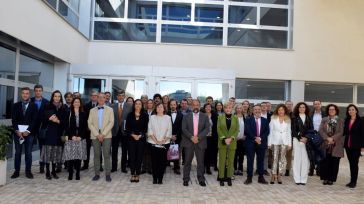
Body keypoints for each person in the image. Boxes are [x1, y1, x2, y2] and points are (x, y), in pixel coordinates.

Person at [181, 99, 210, 187]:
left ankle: (201, 179)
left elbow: (207, 129)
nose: (195, 106)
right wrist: (191, 137)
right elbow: (184, 129)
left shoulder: (205, 116)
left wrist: (198, 137)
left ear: (200, 106)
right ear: (191, 106)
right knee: (187, 162)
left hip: (200, 142)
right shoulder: (186, 116)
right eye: (194, 105)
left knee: (200, 162)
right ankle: (186, 179)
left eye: (197, 105)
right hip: (189, 142)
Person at [10, 87, 37, 179]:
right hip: (18, 134)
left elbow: (34, 120)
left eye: (27, 93)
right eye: (23, 93)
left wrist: (28, 131)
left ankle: (28, 171)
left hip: (29, 134)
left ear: (29, 95)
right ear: (21, 94)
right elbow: (14, 120)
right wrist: (17, 130)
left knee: (28, 153)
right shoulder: (15, 105)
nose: (25, 95)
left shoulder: (34, 106)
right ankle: (16, 171)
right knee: (18, 153)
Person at [88, 93, 114, 182]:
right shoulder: (92, 110)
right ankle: (97, 174)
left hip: (106, 135)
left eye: (103, 97)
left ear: (105, 99)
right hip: (95, 135)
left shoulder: (110, 110)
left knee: (106, 155)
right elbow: (89, 123)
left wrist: (103, 134)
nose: (101, 99)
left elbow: (111, 122)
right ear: (97, 99)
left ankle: (108, 174)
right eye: (99, 97)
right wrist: (97, 134)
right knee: (96, 155)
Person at [41, 90, 66, 180]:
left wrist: (58, 121)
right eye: (55, 96)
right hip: (49, 133)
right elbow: (42, 120)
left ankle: (54, 171)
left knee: (56, 154)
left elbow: (65, 122)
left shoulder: (63, 108)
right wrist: (49, 119)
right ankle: (47, 171)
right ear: (53, 97)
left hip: (58, 134)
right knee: (48, 153)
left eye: (59, 96)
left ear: (60, 98)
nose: (57, 98)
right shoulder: (47, 106)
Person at [244, 104, 270, 185]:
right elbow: (247, 131)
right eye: (255, 109)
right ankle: (249, 177)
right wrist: (255, 138)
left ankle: (261, 177)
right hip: (250, 143)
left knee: (261, 161)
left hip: (261, 143)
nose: (257, 111)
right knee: (250, 161)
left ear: (261, 110)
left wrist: (260, 138)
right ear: (253, 111)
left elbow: (267, 132)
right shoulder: (248, 120)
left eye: (259, 109)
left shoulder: (265, 120)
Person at [319, 104, 344, 185]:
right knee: (325, 162)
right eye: (330, 109)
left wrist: (333, 138)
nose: (331, 111)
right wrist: (327, 138)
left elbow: (341, 131)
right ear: (328, 111)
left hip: (336, 144)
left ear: (336, 111)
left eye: (333, 109)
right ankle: (325, 178)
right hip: (326, 143)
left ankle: (331, 179)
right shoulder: (324, 119)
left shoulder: (340, 120)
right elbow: (321, 130)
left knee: (334, 162)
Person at [147, 103, 172, 184]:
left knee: (162, 161)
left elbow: (169, 130)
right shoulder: (152, 117)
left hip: (165, 143)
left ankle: (160, 178)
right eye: (158, 107)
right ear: (156, 109)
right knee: (154, 161)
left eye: (161, 107)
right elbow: (150, 129)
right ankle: (155, 178)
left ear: (164, 109)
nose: (160, 108)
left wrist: (163, 141)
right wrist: (156, 141)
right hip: (153, 143)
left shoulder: (168, 118)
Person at [63, 97, 87, 180]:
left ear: (80, 104)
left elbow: (85, 127)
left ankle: (77, 173)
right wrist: (71, 136)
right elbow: (66, 126)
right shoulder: (68, 113)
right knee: (71, 157)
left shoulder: (84, 113)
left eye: (78, 102)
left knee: (78, 156)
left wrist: (81, 136)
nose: (77, 103)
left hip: (80, 138)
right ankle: (70, 173)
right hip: (71, 137)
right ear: (72, 103)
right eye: (75, 102)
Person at [125, 99, 149, 182]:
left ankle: (137, 173)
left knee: (139, 157)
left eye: (139, 104)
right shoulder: (129, 115)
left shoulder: (145, 115)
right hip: (131, 139)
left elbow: (146, 128)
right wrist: (133, 135)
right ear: (134, 105)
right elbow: (127, 128)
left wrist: (140, 135)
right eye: (136, 104)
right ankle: (132, 173)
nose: (138, 105)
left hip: (141, 139)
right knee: (132, 157)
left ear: (142, 105)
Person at [268, 104, 292, 184]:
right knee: (274, 158)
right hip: (275, 141)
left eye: (282, 110)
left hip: (284, 142)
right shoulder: (273, 118)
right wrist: (269, 142)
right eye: (279, 110)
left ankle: (279, 175)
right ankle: (273, 175)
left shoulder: (288, 119)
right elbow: (270, 131)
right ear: (277, 111)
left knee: (282, 159)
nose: (281, 111)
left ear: (285, 110)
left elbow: (289, 132)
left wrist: (289, 143)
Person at [217, 103, 239, 186]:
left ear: (232, 109)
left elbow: (237, 130)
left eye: (229, 108)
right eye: (226, 108)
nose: (228, 109)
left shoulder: (235, 118)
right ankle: (221, 177)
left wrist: (231, 138)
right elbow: (218, 129)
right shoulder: (220, 117)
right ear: (224, 108)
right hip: (222, 142)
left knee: (230, 161)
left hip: (232, 142)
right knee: (222, 161)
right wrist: (224, 138)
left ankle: (229, 177)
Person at [292, 102, 313, 185]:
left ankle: (303, 179)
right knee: (297, 160)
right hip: (297, 140)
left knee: (305, 160)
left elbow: (311, 130)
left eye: (303, 107)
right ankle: (297, 179)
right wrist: (299, 138)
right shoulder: (294, 118)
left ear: (306, 108)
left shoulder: (309, 118)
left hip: (306, 141)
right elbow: (293, 130)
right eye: (300, 107)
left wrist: (306, 138)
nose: (301, 108)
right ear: (297, 108)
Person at [343, 104, 364, 188]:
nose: (350, 111)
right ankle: (351, 181)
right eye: (349, 110)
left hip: (356, 146)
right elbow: (344, 132)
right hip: (348, 145)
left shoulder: (361, 120)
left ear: (356, 111)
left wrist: (362, 147)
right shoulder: (347, 120)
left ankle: (353, 182)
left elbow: (363, 134)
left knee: (354, 164)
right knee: (351, 163)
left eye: (352, 109)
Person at [30, 84, 49, 173]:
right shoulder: (30, 101)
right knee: (29, 147)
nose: (38, 92)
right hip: (31, 128)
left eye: (39, 90)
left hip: (42, 128)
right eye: (36, 91)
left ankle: (42, 167)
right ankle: (28, 167)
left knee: (42, 148)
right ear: (34, 91)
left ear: (42, 91)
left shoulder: (47, 102)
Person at [111, 90, 132, 173]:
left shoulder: (129, 106)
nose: (120, 97)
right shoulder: (112, 106)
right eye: (119, 96)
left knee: (124, 151)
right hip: (115, 131)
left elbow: (130, 119)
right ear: (117, 97)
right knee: (114, 150)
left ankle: (123, 168)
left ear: (124, 97)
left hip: (125, 132)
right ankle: (114, 167)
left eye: (122, 95)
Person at [82, 91, 99, 170]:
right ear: (90, 96)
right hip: (87, 131)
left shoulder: (101, 106)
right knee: (86, 148)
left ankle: (99, 165)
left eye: (96, 96)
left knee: (98, 149)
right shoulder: (85, 106)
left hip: (98, 131)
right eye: (93, 96)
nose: (94, 97)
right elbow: (84, 118)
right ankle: (85, 165)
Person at [167, 99, 184, 175]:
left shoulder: (181, 114)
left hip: (177, 136)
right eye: (171, 105)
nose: (173, 106)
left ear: (176, 105)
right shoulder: (166, 114)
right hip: (167, 136)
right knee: (167, 151)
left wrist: (175, 135)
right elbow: (165, 126)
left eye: (174, 104)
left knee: (176, 152)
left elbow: (181, 126)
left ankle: (176, 167)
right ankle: (166, 166)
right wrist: (170, 135)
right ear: (169, 105)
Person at [202, 103, 218, 175]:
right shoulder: (201, 115)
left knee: (209, 153)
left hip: (212, 138)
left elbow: (216, 127)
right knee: (203, 153)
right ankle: (202, 167)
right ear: (204, 108)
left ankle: (208, 168)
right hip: (203, 137)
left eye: (209, 107)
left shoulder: (215, 116)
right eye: (206, 107)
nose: (208, 108)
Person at [141, 99, 154, 174]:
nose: (149, 104)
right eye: (148, 103)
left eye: (151, 103)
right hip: (144, 134)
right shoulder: (143, 112)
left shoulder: (155, 113)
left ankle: (149, 168)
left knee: (150, 152)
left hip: (152, 135)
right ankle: (143, 168)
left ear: (153, 104)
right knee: (144, 152)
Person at [234, 104, 245, 176]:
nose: (239, 109)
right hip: (234, 139)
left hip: (242, 139)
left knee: (241, 155)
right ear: (235, 109)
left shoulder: (245, 118)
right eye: (237, 108)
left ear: (242, 109)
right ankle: (234, 169)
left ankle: (240, 169)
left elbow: (247, 128)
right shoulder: (233, 117)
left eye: (240, 108)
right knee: (234, 155)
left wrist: (245, 135)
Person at [284, 100, 294, 176]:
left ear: (292, 106)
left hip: (290, 137)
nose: (289, 106)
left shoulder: (295, 115)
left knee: (289, 155)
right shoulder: (281, 114)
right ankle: (279, 169)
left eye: (290, 105)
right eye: (287, 105)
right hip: (281, 137)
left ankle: (287, 169)